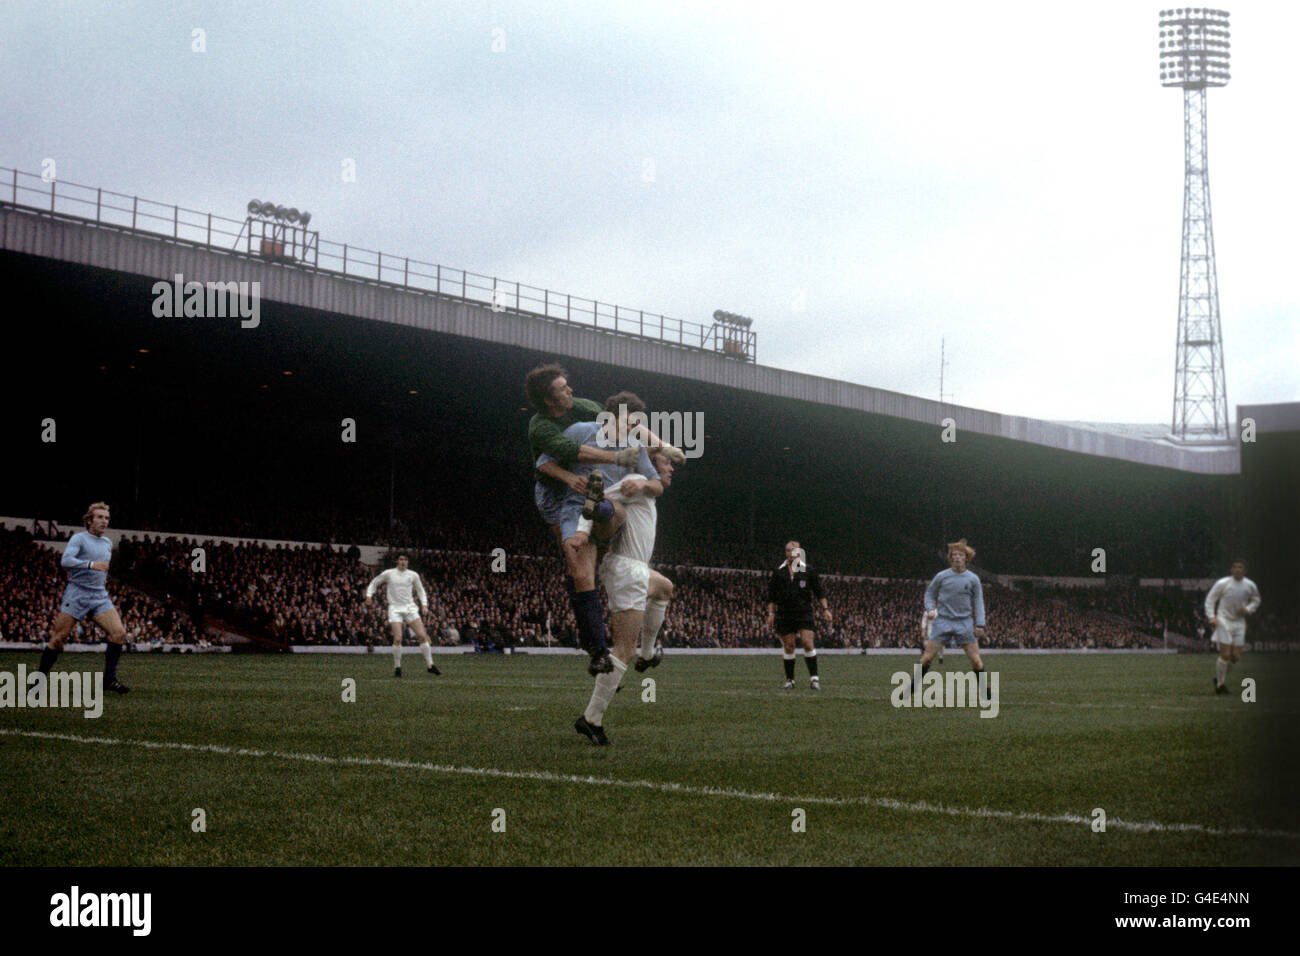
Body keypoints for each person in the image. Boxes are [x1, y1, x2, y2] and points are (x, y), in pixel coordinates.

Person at [524, 364, 684, 675]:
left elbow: (643, 451)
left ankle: (599, 512)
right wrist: (586, 471)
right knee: (580, 572)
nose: (570, 390)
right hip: (558, 495)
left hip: (597, 500)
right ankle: (598, 650)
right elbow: (557, 459)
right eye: (562, 388)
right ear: (548, 400)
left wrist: (662, 448)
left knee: (615, 511)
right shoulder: (546, 428)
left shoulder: (589, 410)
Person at [574, 446, 678, 745]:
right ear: (651, 466)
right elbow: (596, 501)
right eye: (665, 465)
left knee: (665, 588)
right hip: (626, 569)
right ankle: (591, 719)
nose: (670, 470)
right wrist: (582, 531)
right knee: (623, 651)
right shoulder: (634, 480)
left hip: (634, 569)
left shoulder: (645, 488)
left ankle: (647, 656)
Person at [37, 501, 131, 694]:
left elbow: (101, 569)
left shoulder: (107, 542)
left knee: (119, 634)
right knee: (57, 640)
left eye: (106, 518)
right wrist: (91, 565)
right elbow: (66, 561)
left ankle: (109, 680)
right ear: (89, 520)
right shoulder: (79, 539)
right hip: (78, 593)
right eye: (100, 517)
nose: (104, 521)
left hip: (99, 595)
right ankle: (38, 682)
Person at [915, 539, 987, 686]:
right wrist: (929, 609)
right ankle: (912, 687)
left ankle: (984, 690)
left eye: (960, 554)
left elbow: (978, 602)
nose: (956, 557)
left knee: (976, 661)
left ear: (966, 558)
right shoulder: (942, 576)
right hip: (943, 621)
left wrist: (980, 624)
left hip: (964, 622)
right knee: (927, 658)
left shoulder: (973, 579)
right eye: (953, 555)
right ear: (950, 558)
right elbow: (929, 594)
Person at [766, 541, 831, 690]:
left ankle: (814, 679)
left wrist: (825, 609)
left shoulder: (808, 570)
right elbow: (771, 596)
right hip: (784, 614)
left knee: (808, 643)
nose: (790, 554)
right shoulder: (778, 572)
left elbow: (819, 592)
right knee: (789, 646)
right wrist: (771, 613)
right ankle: (790, 680)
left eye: (793, 551)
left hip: (804, 613)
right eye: (788, 551)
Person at [365, 554, 440, 677]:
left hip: (410, 608)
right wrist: (369, 595)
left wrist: (424, 604)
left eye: (405, 559)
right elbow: (375, 582)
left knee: (422, 636)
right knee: (398, 638)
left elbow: (420, 590)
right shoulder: (389, 573)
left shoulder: (413, 575)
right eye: (401, 559)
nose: (403, 561)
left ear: (408, 562)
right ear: (397, 561)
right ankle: (397, 668)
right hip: (395, 608)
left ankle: (430, 665)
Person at [1205, 560, 1261, 695]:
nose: (1237, 569)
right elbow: (1210, 599)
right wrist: (1211, 616)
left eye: (1240, 567)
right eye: (1235, 567)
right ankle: (1220, 685)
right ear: (1231, 569)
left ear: (1245, 571)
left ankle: (1219, 677)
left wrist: (1248, 609)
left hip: (1239, 622)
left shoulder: (1250, 585)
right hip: (1223, 620)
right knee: (1225, 654)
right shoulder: (1223, 583)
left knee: (1235, 657)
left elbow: (1256, 599)